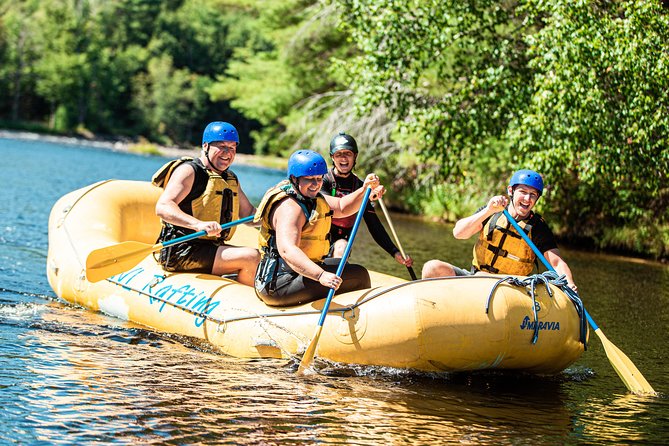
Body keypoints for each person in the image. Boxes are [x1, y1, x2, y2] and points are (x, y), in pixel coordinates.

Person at [254, 149, 385, 307]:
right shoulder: (290, 208)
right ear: (294, 179)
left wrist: (364, 190)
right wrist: (320, 275)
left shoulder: (313, 198)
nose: (316, 184)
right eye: (309, 179)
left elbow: (343, 207)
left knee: (346, 266)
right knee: (360, 276)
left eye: (319, 178)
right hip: (279, 284)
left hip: (297, 274)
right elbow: (287, 250)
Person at [421, 169, 578, 291]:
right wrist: (488, 210)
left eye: (532, 195)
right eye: (523, 192)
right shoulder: (493, 213)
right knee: (432, 268)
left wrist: (570, 284)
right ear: (511, 191)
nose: (527, 199)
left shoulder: (537, 227)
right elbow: (459, 233)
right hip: (476, 277)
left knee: (482, 277)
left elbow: (556, 263)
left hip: (512, 288)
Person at [152, 121, 260, 286]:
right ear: (205, 146)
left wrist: (274, 217)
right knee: (251, 257)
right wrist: (198, 224)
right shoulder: (189, 171)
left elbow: (249, 214)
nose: (227, 153)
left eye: (232, 148)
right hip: (181, 250)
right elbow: (163, 207)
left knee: (262, 257)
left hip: (210, 248)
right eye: (221, 146)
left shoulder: (229, 178)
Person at [322, 132, 413, 267]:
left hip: (340, 244)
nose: (343, 158)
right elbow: (335, 208)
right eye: (339, 154)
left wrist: (394, 252)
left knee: (342, 246)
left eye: (348, 153)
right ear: (332, 157)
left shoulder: (360, 186)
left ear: (355, 156)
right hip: (317, 239)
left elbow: (374, 225)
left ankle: (337, 280)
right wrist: (365, 191)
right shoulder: (323, 181)